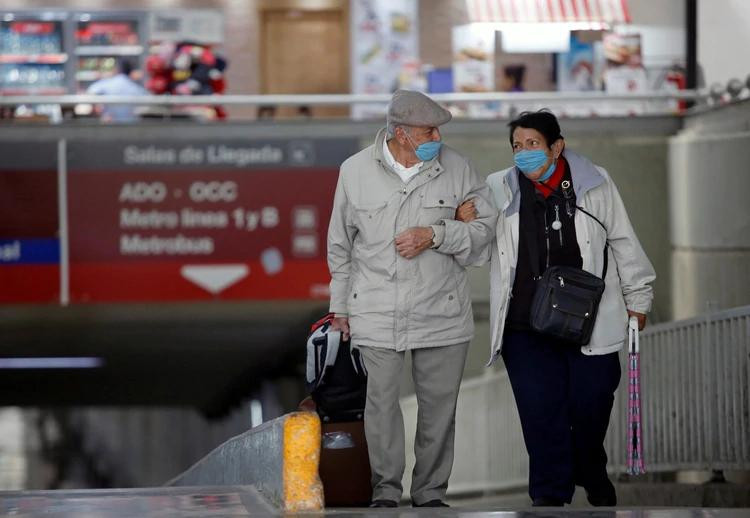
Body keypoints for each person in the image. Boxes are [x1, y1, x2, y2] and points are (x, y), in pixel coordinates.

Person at [458, 110, 655, 507]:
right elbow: (478, 252)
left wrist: (639, 299)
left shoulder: (594, 183)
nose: (524, 153)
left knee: (595, 400)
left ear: (556, 146)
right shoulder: (498, 188)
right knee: (541, 417)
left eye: (533, 144)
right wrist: (463, 220)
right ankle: (550, 500)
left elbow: (622, 241)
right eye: (517, 145)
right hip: (524, 327)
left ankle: (589, 463)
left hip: (589, 321)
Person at [326, 89, 497, 508]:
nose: (438, 136)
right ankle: (385, 491)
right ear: (400, 133)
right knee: (380, 408)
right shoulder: (353, 171)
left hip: (442, 311)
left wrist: (437, 234)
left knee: (439, 411)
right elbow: (339, 245)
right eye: (429, 129)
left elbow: (483, 236)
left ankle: (430, 494)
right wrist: (340, 307)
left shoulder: (458, 169)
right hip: (376, 310)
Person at [87, 59, 148, 123]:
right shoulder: (136, 87)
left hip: (110, 124)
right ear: (131, 72)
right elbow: (147, 102)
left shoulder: (107, 83)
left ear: (117, 69)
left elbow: (90, 92)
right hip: (131, 125)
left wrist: (98, 110)